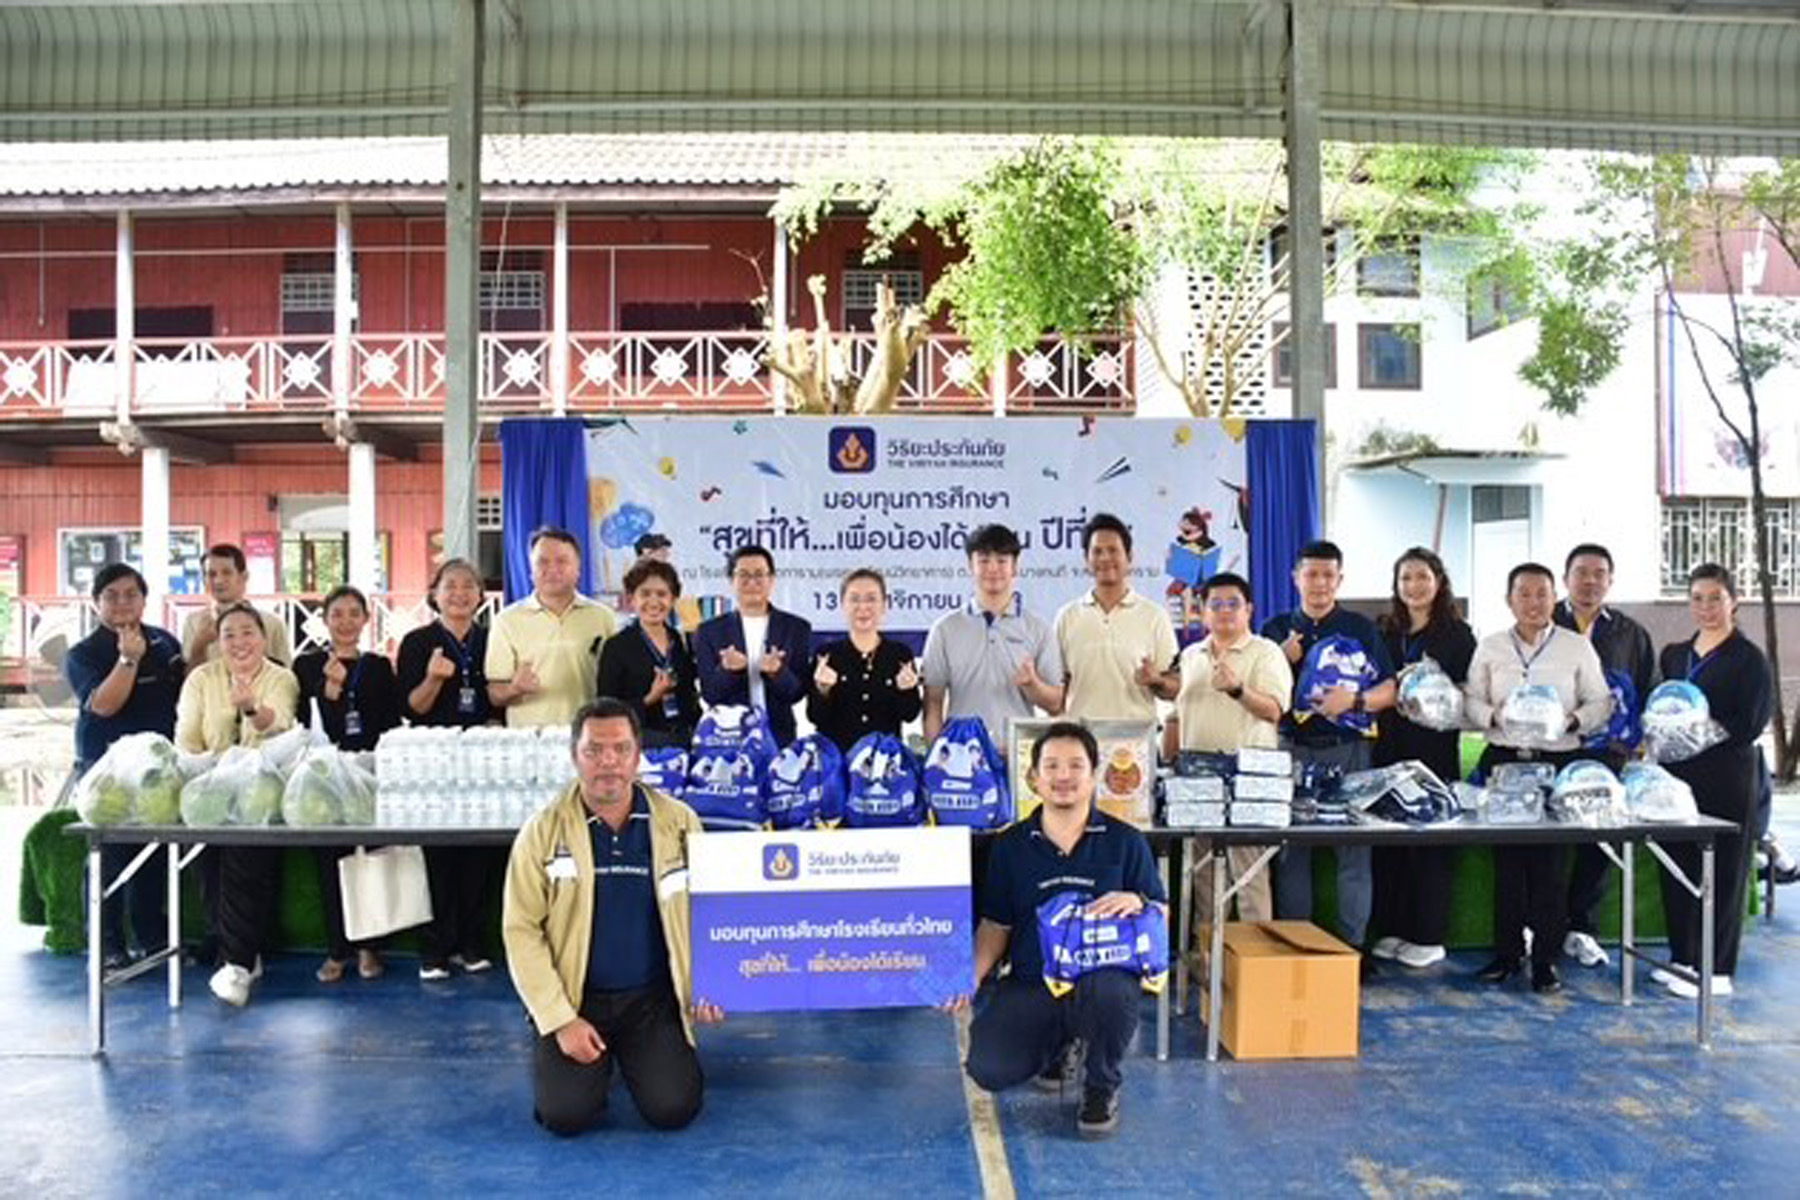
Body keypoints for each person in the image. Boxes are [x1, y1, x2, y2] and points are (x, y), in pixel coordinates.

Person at [503, 699, 723, 1135]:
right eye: (594, 750)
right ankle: (577, 1063)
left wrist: (711, 984)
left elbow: (710, 911)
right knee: (565, 1116)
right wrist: (560, 1019)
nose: (608, 761)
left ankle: (639, 1057)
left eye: (621, 749)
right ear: (574, 756)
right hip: (576, 1000)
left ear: (638, 755)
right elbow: (521, 930)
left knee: (673, 1109)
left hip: (651, 1001)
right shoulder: (542, 832)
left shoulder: (680, 823)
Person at [957, 721, 1168, 1140]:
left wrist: (1140, 903)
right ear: (1034, 777)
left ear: (1094, 774)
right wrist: (969, 977)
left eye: (1075, 765)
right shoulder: (1010, 845)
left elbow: (1160, 910)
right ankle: (1060, 1045)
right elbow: (996, 924)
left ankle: (1101, 1086)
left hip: (1102, 981)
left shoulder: (1126, 841)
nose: (1063, 776)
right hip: (1033, 981)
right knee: (989, 1068)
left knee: (1111, 993)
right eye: (1051, 766)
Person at [1462, 563, 1612, 995]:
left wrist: (1572, 721)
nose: (1533, 603)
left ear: (1554, 598)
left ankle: (1546, 960)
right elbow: (1470, 698)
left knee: (1551, 867)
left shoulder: (1576, 646)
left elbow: (1601, 702)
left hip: (1558, 761)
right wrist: (1492, 716)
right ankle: (1507, 955)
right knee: (1508, 864)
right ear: (1509, 600)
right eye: (1524, 594)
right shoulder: (1491, 646)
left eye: (1541, 594)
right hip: (1505, 760)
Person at [1260, 540, 1396, 968]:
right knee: (1292, 852)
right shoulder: (1274, 629)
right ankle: (1296, 944)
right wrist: (1280, 660)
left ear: (1340, 579)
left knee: (1354, 851)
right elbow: (1255, 691)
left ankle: (1354, 948)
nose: (1319, 583)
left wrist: (1354, 701)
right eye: (1311, 574)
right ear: (1295, 578)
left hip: (1348, 750)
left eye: (1328, 575)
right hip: (1291, 750)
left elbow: (1389, 689)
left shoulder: (1360, 628)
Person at [1653, 564, 1773, 999]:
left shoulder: (1749, 659)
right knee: (1677, 867)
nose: (1706, 607)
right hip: (1676, 778)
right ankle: (1683, 958)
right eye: (1697, 598)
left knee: (1723, 871)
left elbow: (1752, 722)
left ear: (1733, 602)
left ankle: (1717, 969)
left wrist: (1703, 732)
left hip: (1727, 777)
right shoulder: (1675, 655)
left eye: (1715, 599)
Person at [174, 603, 300, 1007]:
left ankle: (238, 965)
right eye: (229, 634)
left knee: (245, 863)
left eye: (248, 632)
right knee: (207, 866)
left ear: (263, 638)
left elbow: (277, 724)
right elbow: (187, 738)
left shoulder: (281, 677)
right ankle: (241, 953)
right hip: (209, 785)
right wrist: (208, 768)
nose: (239, 642)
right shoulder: (201, 678)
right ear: (218, 641)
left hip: (261, 789)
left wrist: (250, 708)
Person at [63, 563, 185, 970]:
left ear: (144, 600)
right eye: (110, 596)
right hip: (106, 771)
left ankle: (153, 940)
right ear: (96, 603)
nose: (121, 603)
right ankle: (106, 943)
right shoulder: (82, 654)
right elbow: (103, 705)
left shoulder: (164, 643)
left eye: (130, 594)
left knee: (153, 856)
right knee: (109, 857)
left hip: (157, 772)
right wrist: (128, 660)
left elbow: (184, 696)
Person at [1163, 571, 1290, 929]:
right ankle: (1207, 961)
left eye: (1233, 603)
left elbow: (1274, 710)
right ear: (1203, 611)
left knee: (1249, 881)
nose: (1224, 611)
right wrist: (1167, 761)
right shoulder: (1191, 655)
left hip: (1248, 784)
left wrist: (1238, 690)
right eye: (1215, 604)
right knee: (1204, 882)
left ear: (1249, 609)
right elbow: (1177, 716)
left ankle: (1255, 960)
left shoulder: (1266, 653)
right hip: (1197, 783)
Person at [1369, 548, 1476, 971]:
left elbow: (1464, 694)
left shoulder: (1457, 634)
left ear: (1439, 582)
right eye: (1406, 578)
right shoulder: (1385, 630)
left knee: (1429, 845)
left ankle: (1428, 935)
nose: (1414, 586)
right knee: (1390, 842)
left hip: (1433, 750)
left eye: (1422, 577)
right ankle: (1393, 927)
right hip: (1387, 749)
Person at [396, 557, 501, 982]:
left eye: (468, 586)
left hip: (484, 760)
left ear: (480, 595)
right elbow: (412, 708)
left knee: (479, 855)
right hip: (434, 761)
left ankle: (471, 943)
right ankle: (435, 948)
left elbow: (499, 699)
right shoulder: (417, 642)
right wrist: (434, 679)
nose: (459, 594)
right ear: (435, 594)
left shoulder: (492, 638)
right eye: (450, 586)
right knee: (436, 856)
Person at [292, 585, 403, 985]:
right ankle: (337, 950)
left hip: (369, 774)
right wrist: (331, 692)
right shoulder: (307, 665)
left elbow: (390, 721)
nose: (345, 621)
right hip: (324, 775)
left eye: (354, 613)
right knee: (331, 864)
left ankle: (370, 947)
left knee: (373, 859)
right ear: (324, 620)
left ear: (366, 619)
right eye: (336, 614)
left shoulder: (378, 666)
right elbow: (300, 721)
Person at [1554, 543, 1657, 970]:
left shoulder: (1631, 633)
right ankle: (1540, 927)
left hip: (1606, 757)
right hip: (1553, 749)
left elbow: (1647, 689)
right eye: (1581, 572)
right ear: (1566, 578)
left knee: (1598, 843)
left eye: (1599, 574)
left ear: (1610, 581)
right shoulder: (1543, 621)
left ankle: (1581, 929)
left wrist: (1637, 745)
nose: (1590, 581)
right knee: (1547, 843)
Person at [922, 523, 1065, 749]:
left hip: (1018, 754)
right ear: (970, 566)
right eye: (984, 560)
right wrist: (936, 758)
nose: (993, 568)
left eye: (1002, 560)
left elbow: (1056, 704)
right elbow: (933, 703)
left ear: (1015, 567)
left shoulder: (1038, 629)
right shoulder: (945, 629)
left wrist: (1033, 684)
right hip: (962, 756)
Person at [1055, 513, 1180, 723]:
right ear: (1086, 560)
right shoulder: (1067, 617)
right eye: (1097, 551)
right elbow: (1058, 687)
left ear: (1129, 557)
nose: (1105, 558)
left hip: (1137, 737)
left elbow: (1175, 687)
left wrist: (1156, 680)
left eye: (1113, 550)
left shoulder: (1154, 616)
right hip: (1080, 737)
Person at [487, 527, 618, 729]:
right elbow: (494, 694)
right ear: (531, 571)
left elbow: (619, 684)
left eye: (562, 561)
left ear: (578, 570)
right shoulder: (506, 621)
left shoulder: (603, 617)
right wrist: (515, 688)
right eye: (542, 562)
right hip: (530, 738)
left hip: (590, 734)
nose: (552, 569)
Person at [693, 545, 813, 746]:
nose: (752, 582)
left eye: (759, 574)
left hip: (779, 737)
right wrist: (727, 670)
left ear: (772, 580)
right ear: (731, 580)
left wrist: (778, 672)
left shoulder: (796, 628)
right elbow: (710, 695)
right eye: (743, 575)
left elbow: (796, 694)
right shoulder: (709, 631)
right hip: (728, 738)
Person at [807, 568, 922, 754]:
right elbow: (815, 716)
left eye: (871, 599)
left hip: (883, 760)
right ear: (842, 605)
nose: (863, 607)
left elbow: (910, 715)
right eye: (854, 599)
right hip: (837, 761)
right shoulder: (826, 655)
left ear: (884, 605)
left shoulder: (900, 654)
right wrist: (823, 690)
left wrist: (906, 690)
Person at [597, 558, 702, 749]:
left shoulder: (680, 641)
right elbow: (606, 710)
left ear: (673, 599)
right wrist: (649, 698)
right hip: (642, 742)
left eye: (662, 594)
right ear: (632, 599)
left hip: (685, 738)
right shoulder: (616, 647)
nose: (654, 602)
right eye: (645, 594)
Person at [181, 543, 292, 667]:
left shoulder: (272, 624)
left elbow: (286, 673)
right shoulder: (194, 622)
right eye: (211, 574)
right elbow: (188, 676)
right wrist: (200, 644)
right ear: (204, 580)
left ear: (244, 577)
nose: (218, 581)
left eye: (227, 573)